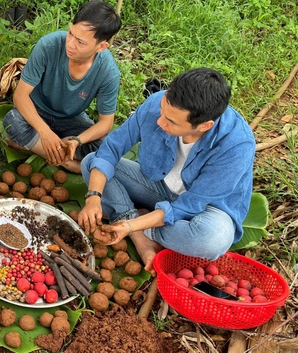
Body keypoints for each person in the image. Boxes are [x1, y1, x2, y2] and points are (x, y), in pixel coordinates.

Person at [77, 68, 256, 273]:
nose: (160, 121)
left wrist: (130, 226)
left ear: (204, 126)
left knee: (212, 240)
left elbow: (189, 206)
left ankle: (136, 223)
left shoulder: (236, 145)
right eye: (163, 111)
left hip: (204, 209)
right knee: (92, 162)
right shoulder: (159, 102)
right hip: (158, 187)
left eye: (171, 121)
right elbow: (111, 149)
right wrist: (93, 197)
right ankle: (138, 225)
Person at [3, 0, 122, 173]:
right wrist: (45, 133)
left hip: (71, 120)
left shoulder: (108, 72)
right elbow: (20, 96)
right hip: (37, 111)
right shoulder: (48, 46)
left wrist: (77, 141)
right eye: (70, 34)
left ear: (101, 46)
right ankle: (70, 164)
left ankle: (40, 146)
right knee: (13, 122)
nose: (70, 44)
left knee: (106, 143)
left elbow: (106, 123)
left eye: (80, 42)